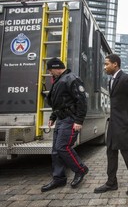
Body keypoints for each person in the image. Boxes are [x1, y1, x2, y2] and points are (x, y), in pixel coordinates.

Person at [94, 54, 128, 196]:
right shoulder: (112, 80)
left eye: (106, 64)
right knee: (110, 150)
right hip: (114, 122)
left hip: (124, 123)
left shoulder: (126, 79)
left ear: (115, 64)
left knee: (126, 151)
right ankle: (111, 183)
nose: (105, 67)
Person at [41, 58, 88, 192]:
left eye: (50, 70)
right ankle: (59, 179)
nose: (50, 73)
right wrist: (52, 117)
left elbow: (82, 100)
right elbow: (59, 103)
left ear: (56, 68)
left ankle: (80, 169)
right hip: (61, 119)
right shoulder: (59, 80)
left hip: (70, 119)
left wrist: (79, 120)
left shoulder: (72, 78)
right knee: (56, 151)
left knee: (63, 147)